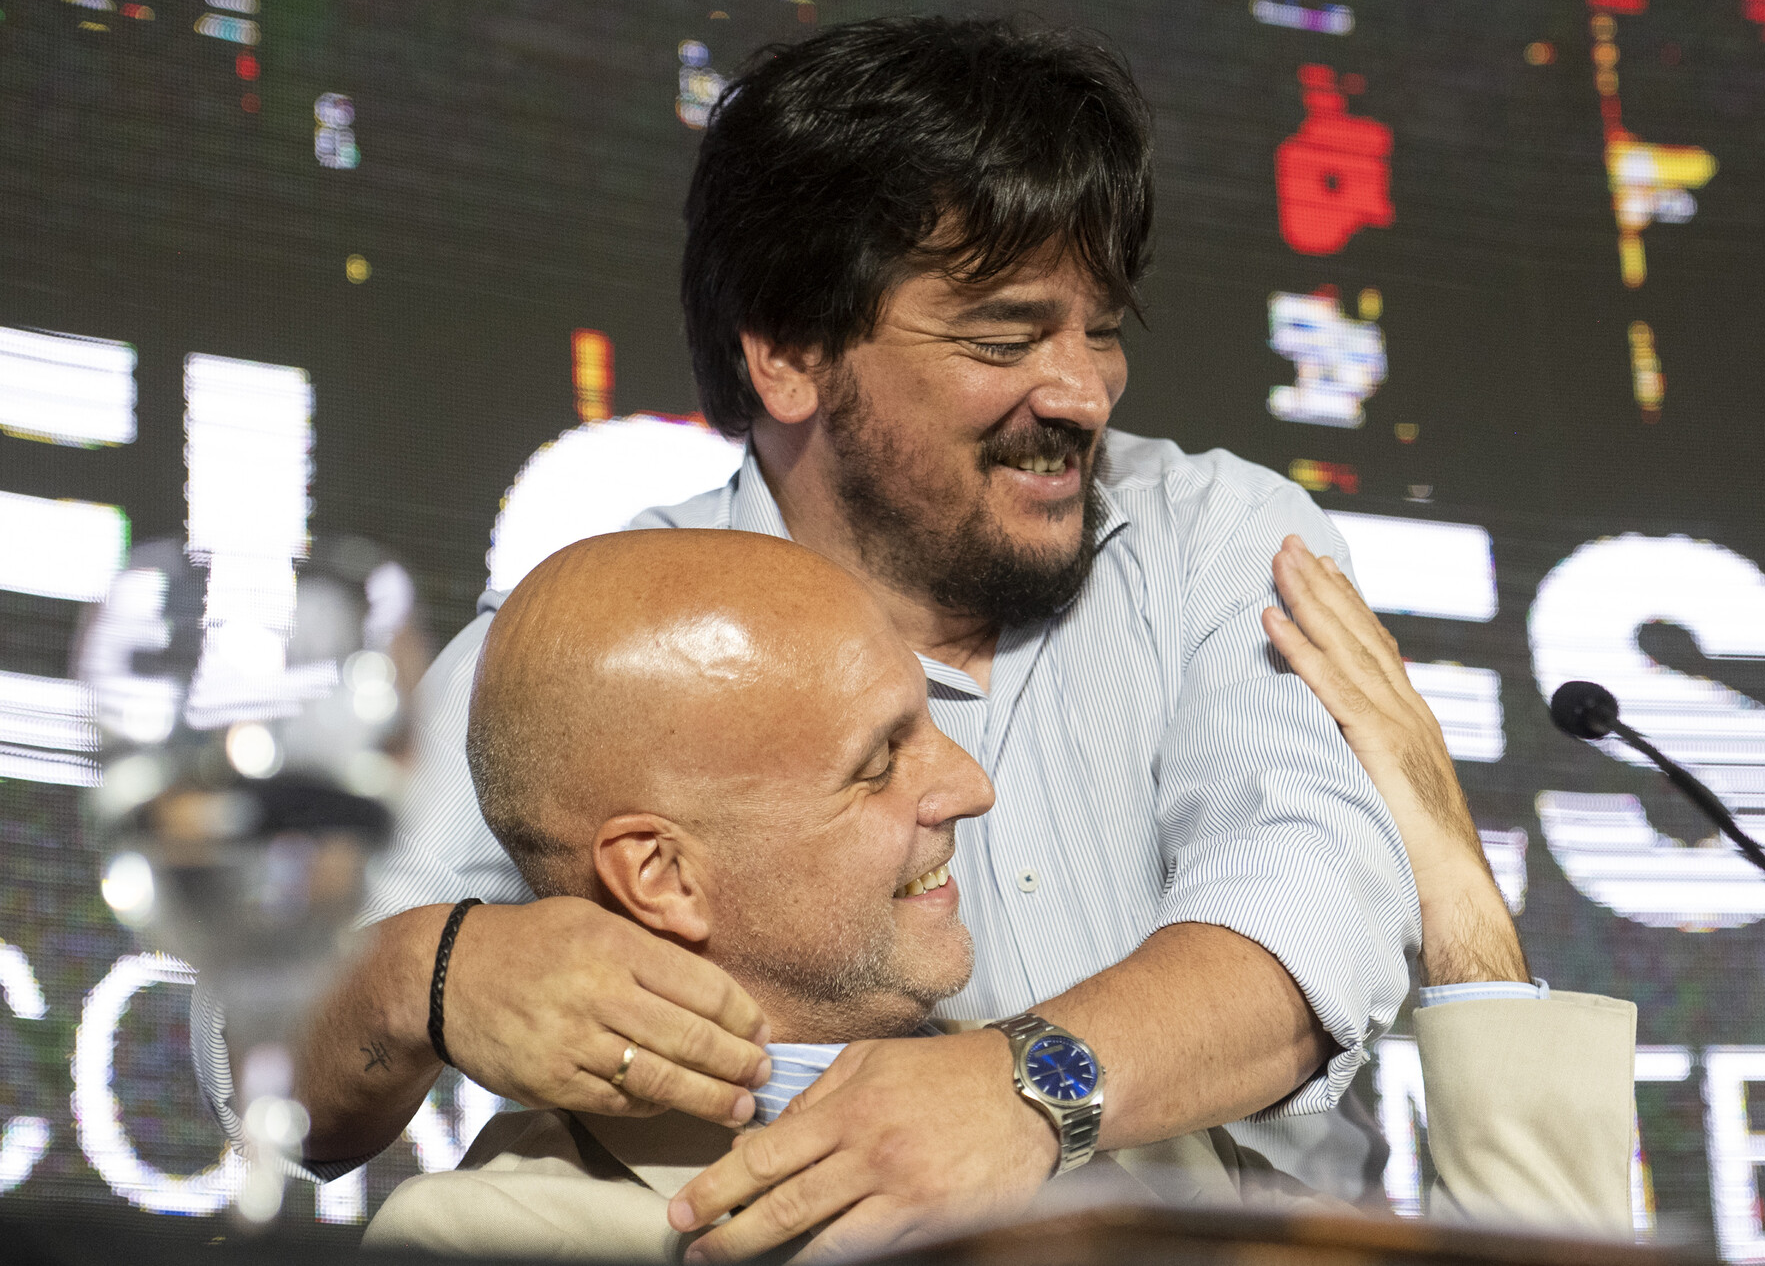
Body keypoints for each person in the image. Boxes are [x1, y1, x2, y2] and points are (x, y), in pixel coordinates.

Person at [197, 17, 1533, 1260]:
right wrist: (427, 973)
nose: (1082, 393)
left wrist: (1021, 1089)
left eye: (1100, 331)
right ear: (787, 351)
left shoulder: (1219, 539)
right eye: (1004, 337)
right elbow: (253, 1055)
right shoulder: (606, 636)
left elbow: (1314, 902)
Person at [362, 529, 1638, 1258]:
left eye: (933, 724)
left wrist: (1458, 902)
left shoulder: (1118, 1128)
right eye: (880, 762)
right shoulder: (496, 1238)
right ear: (662, 874)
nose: (969, 788)